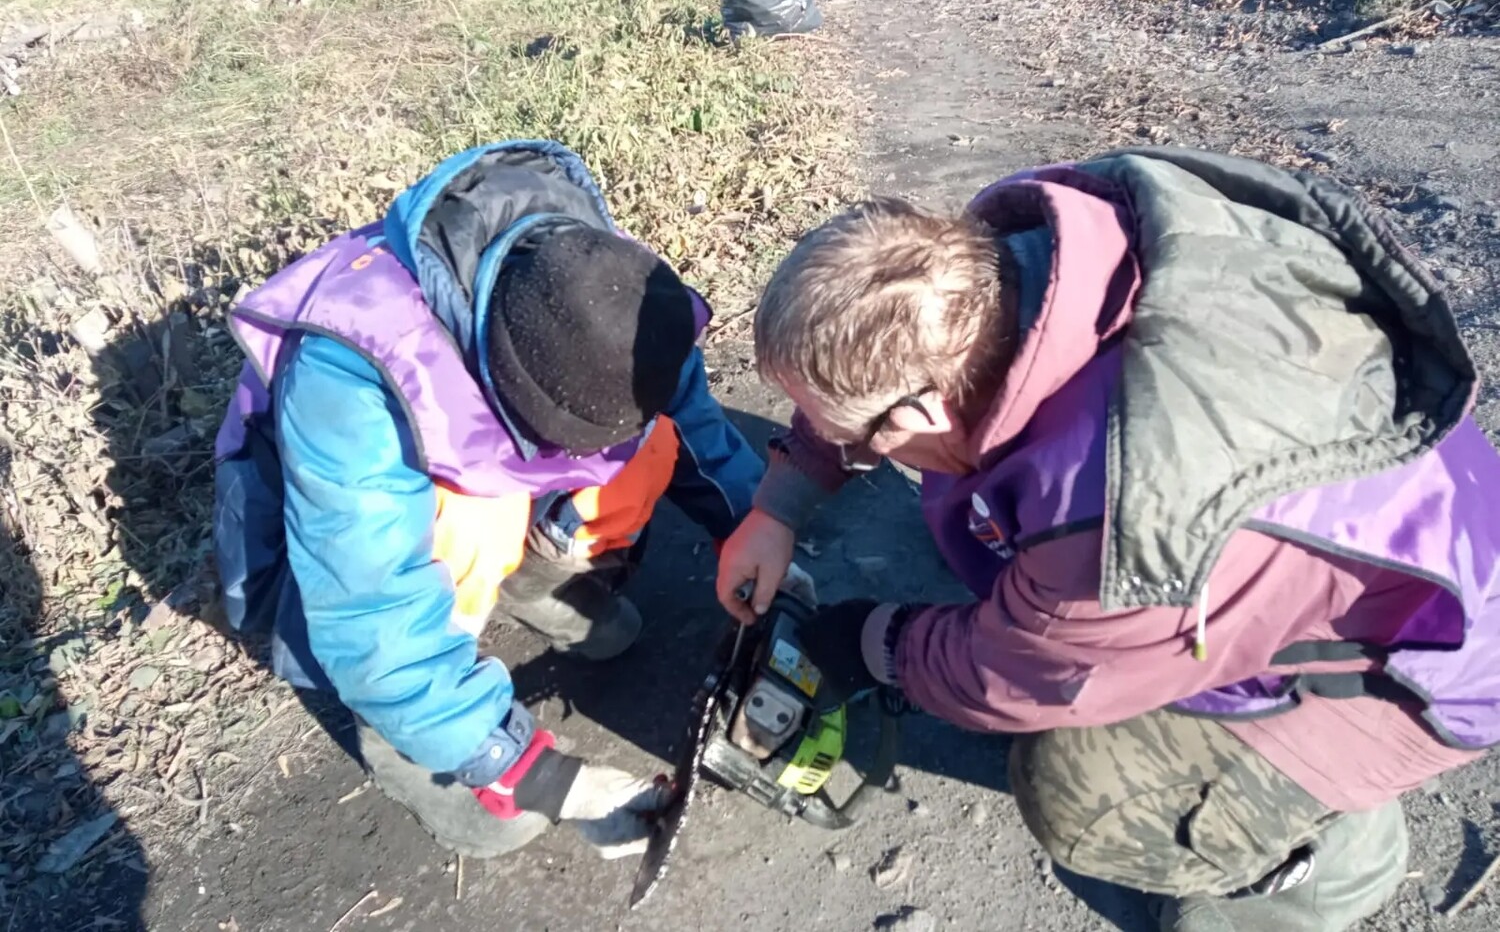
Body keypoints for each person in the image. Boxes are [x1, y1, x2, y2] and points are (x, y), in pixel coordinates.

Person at [718, 146, 1500, 931]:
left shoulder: (1124, 523)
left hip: (1417, 669)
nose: (838, 440)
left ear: (919, 413)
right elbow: (871, 357)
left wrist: (872, 641)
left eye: (846, 434)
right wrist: (777, 507)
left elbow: (1016, 671)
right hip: (1401, 507)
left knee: (1071, 789)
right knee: (981, 519)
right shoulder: (1014, 258)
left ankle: (1331, 859)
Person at [213, 140, 764, 861]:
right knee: (468, 527)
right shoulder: (351, 379)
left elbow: (690, 417)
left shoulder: (605, 278)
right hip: (333, 559)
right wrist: (534, 774)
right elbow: (372, 616)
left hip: (481, 462)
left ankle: (537, 581)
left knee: (653, 444)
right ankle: (405, 743)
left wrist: (758, 528)